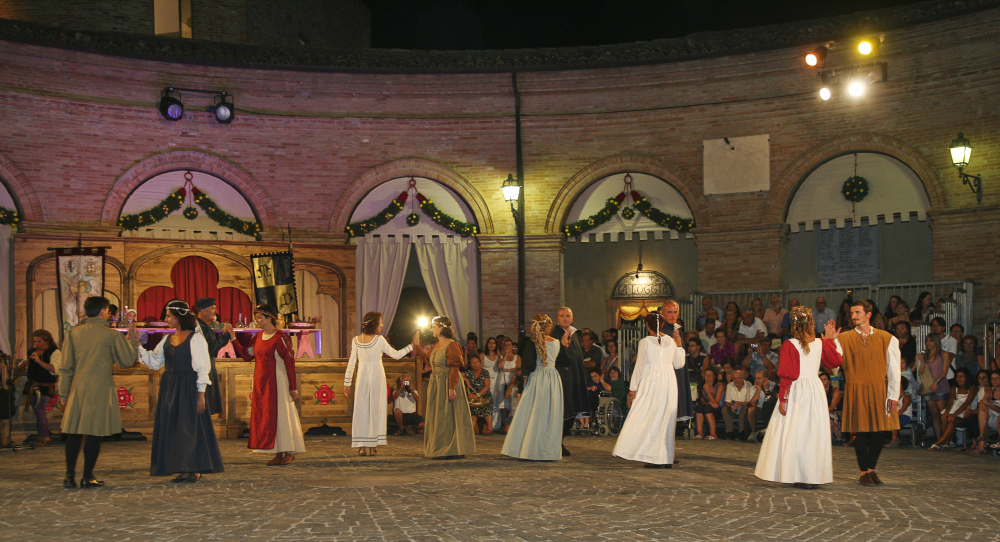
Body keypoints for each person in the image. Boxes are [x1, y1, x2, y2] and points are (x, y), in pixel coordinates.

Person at [754, 307, 843, 489]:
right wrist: (832, 341)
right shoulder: (820, 342)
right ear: (811, 322)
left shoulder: (790, 344)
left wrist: (783, 399)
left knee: (795, 432)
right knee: (812, 433)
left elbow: (787, 374)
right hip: (814, 390)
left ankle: (797, 473)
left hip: (797, 390)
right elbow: (836, 361)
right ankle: (812, 475)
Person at [138, 300, 224, 483]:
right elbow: (154, 362)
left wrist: (201, 394)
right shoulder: (168, 339)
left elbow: (203, 367)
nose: (166, 319)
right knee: (174, 427)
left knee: (189, 427)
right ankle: (181, 467)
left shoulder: (196, 338)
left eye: (169, 316)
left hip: (189, 387)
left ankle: (193, 468)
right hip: (170, 388)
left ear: (179, 317)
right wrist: (136, 346)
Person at [58, 296, 139, 488]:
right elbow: (126, 362)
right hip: (100, 387)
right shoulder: (111, 335)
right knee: (94, 433)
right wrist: (133, 341)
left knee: (74, 433)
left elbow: (65, 367)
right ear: (103, 312)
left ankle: (69, 476)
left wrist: (63, 394)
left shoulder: (73, 333)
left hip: (77, 387)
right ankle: (88, 476)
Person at [835, 300, 901, 486]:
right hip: (856, 387)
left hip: (879, 388)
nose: (854, 316)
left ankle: (871, 469)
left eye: (857, 312)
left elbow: (894, 370)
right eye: (852, 313)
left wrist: (893, 395)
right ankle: (864, 471)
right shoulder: (844, 338)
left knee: (880, 432)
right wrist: (830, 341)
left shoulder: (887, 338)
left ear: (868, 314)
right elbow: (833, 364)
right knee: (861, 432)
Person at [231, 304, 305, 466]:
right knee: (267, 416)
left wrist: (293, 386)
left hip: (278, 381)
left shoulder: (280, 338)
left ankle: (287, 450)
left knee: (281, 415)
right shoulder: (257, 338)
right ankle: (277, 451)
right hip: (262, 381)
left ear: (270, 317)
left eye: (260, 317)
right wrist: (233, 339)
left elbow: (289, 362)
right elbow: (246, 355)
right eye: (256, 317)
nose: (257, 320)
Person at [612, 310, 686, 468]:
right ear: (663, 324)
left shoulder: (645, 342)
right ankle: (664, 458)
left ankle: (657, 457)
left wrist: (632, 389)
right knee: (665, 418)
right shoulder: (671, 342)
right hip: (668, 382)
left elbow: (639, 367)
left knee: (649, 416)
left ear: (647, 325)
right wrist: (679, 344)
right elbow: (679, 364)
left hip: (652, 381)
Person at [343, 311, 415, 456]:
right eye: (380, 321)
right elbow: (351, 363)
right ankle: (363, 445)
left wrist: (411, 346)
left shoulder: (379, 340)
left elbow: (395, 355)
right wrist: (347, 383)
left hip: (376, 377)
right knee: (362, 410)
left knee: (374, 409)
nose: (382, 324)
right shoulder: (357, 340)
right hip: (365, 376)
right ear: (374, 323)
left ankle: (371, 445)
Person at [501, 314, 564, 461]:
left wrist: (522, 389)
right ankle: (547, 450)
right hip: (552, 380)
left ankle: (528, 449)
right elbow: (566, 361)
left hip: (537, 379)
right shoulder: (556, 342)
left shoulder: (532, 343)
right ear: (549, 326)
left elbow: (527, 367)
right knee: (549, 415)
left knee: (531, 413)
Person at [413, 316, 476, 459]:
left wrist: (451, 387)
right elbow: (429, 361)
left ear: (442, 328)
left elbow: (455, 366)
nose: (431, 329)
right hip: (437, 382)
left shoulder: (452, 345)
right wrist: (417, 346)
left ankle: (453, 448)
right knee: (439, 416)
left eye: (433, 326)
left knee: (450, 415)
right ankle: (440, 447)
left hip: (448, 382)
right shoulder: (437, 345)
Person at [551, 307, 589, 456]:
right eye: (562, 316)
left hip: (575, 378)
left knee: (572, 411)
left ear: (572, 318)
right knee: (562, 412)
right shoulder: (554, 335)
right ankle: (556, 444)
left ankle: (559, 442)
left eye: (568, 315)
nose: (565, 318)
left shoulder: (575, 334)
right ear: (557, 318)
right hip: (562, 378)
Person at [20, 330, 62, 447]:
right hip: (33, 385)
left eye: (39, 341)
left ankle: (42, 438)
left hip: (45, 387)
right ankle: (46, 437)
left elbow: (55, 369)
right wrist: (23, 364)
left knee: (39, 410)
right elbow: (22, 365)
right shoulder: (32, 352)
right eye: (35, 342)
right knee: (38, 412)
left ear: (46, 340)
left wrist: (38, 361)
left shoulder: (55, 352)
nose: (37, 344)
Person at [193, 297, 234, 416]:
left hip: (203, 368)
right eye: (212, 308)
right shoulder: (202, 328)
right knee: (203, 407)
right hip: (203, 370)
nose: (215, 312)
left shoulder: (201, 326)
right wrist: (226, 335)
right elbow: (210, 350)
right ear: (202, 310)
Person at [929, 368, 978, 450]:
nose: (959, 379)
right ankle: (946, 443)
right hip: (954, 410)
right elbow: (950, 401)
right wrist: (946, 412)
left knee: (952, 421)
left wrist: (954, 415)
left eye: (961, 376)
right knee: (945, 418)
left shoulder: (972, 388)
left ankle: (939, 442)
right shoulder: (954, 388)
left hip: (966, 413)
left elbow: (967, 403)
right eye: (957, 377)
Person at [916, 333, 949, 443]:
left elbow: (944, 372)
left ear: (936, 342)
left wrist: (937, 382)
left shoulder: (943, 354)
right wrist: (921, 361)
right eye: (927, 341)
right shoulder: (925, 356)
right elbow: (921, 372)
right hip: (929, 387)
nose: (929, 343)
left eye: (931, 340)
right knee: (934, 414)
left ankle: (946, 439)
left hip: (941, 385)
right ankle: (939, 439)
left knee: (942, 413)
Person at [968, 371, 1000, 454]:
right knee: (983, 411)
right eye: (992, 378)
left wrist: (988, 403)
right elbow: (982, 402)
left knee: (985, 407)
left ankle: (983, 437)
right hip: (993, 418)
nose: (994, 380)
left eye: (997, 378)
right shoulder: (990, 392)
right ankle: (983, 436)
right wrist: (985, 403)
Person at [724, 368, 757, 440]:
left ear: (743, 378)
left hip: (743, 406)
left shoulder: (748, 385)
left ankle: (742, 432)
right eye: (735, 378)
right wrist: (732, 405)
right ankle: (730, 433)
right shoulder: (730, 385)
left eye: (739, 378)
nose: (737, 380)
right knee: (725, 409)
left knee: (744, 409)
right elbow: (727, 402)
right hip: (733, 408)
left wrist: (740, 403)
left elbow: (749, 402)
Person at [464, 354, 493, 434]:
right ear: (470, 364)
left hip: (484, 394)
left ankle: (489, 428)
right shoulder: (468, 373)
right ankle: (473, 427)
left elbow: (487, 387)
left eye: (477, 362)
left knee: (487, 402)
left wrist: (477, 395)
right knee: (474, 403)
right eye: (473, 362)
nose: (476, 364)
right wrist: (466, 380)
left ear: (480, 363)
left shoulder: (485, 372)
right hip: (473, 395)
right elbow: (457, 375)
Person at [494, 338, 518, 431]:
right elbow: (499, 366)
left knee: (511, 402)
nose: (507, 347)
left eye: (509, 345)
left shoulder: (517, 357)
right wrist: (506, 355)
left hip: (512, 379)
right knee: (502, 403)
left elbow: (517, 368)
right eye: (506, 345)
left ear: (512, 346)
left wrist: (507, 370)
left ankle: (511, 423)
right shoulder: (501, 356)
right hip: (502, 379)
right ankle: (503, 423)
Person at [694, 368, 724, 440]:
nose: (708, 377)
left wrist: (707, 391)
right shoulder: (704, 386)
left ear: (714, 377)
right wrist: (709, 402)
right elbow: (702, 401)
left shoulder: (719, 386)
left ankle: (713, 434)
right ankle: (699, 433)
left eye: (710, 375)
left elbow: (715, 403)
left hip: (719, 409)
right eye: (706, 375)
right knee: (699, 407)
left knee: (707, 408)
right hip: (708, 407)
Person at [820, 371, 843, 442]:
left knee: (827, 417)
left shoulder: (835, 391)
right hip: (822, 411)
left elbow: (832, 408)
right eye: (820, 379)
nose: (822, 381)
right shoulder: (817, 391)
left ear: (829, 381)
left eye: (825, 379)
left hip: (836, 412)